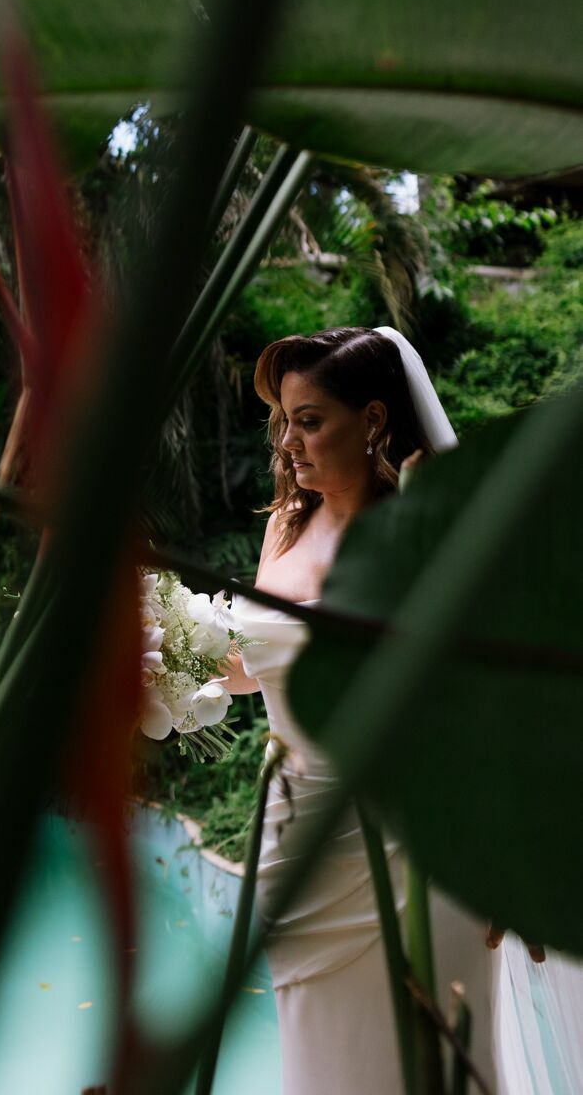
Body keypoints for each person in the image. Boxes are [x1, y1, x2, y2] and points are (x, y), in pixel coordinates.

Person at [218, 325, 499, 1094]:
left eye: (309, 421)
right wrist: (172, 665)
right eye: (284, 422)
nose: (289, 444)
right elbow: (256, 666)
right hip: (298, 842)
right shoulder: (285, 523)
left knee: (433, 1059)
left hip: (417, 844)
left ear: (373, 420)